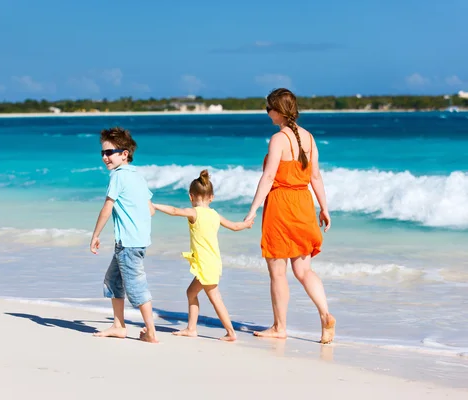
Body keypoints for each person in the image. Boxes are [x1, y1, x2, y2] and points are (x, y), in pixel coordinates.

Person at [244, 88, 336, 344]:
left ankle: (279, 326)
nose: (267, 114)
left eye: (268, 109)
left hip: (281, 207)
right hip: (304, 204)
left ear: (277, 110)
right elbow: (315, 176)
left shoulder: (278, 139)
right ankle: (325, 314)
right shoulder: (309, 138)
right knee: (304, 269)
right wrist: (324, 208)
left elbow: (269, 177)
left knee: (278, 272)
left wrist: (252, 210)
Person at [153, 170, 253, 341]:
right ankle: (191, 328)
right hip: (211, 261)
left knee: (215, 298)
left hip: (205, 264)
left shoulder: (195, 212)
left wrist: (154, 205)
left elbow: (175, 210)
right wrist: (246, 224)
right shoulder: (215, 215)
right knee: (191, 293)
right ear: (211, 197)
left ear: (191, 197)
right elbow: (235, 226)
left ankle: (230, 332)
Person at [89, 126, 158, 343]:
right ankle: (119, 325)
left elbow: (107, 207)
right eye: (102, 153)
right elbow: (151, 209)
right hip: (135, 241)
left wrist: (95, 235)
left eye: (109, 152)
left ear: (124, 154)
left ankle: (151, 331)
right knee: (112, 282)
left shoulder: (118, 176)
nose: (105, 157)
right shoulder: (137, 175)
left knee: (136, 286)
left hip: (128, 243)